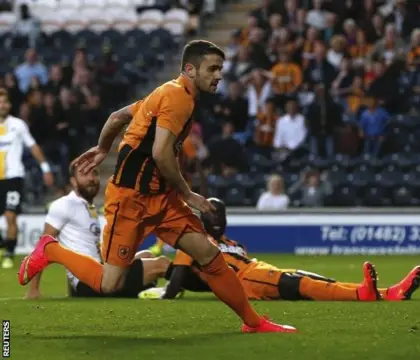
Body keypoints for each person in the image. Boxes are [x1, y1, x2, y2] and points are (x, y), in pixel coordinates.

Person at [18, 40, 296, 333]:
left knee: (208, 254)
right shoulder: (178, 98)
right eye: (212, 68)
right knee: (109, 284)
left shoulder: (166, 93)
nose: (219, 75)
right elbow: (161, 152)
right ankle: (51, 250)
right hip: (130, 199)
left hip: (159, 197)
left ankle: (253, 323)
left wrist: (102, 148)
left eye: (220, 69)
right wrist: (188, 194)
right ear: (190, 69)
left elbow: (118, 117)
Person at [139, 198, 420, 302]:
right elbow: (180, 276)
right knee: (301, 283)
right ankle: (364, 294)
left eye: (220, 214)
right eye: (211, 214)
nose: (216, 218)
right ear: (203, 218)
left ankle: (387, 293)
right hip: (246, 280)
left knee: (306, 278)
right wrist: (165, 294)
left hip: (257, 269)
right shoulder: (194, 240)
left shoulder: (235, 245)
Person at [25, 164, 169, 300]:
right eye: (84, 174)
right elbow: (43, 246)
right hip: (90, 282)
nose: (91, 178)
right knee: (161, 264)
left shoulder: (88, 207)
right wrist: (33, 289)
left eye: (94, 173)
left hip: (98, 275)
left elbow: (80, 248)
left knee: (147, 255)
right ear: (73, 181)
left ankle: (144, 291)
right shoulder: (64, 204)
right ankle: (174, 285)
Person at [0, 88, 54, 268]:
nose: (3, 105)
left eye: (5, 101)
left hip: (13, 178)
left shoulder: (18, 125)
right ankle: (4, 243)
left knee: (10, 215)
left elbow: (33, 147)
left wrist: (45, 168)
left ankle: (9, 253)